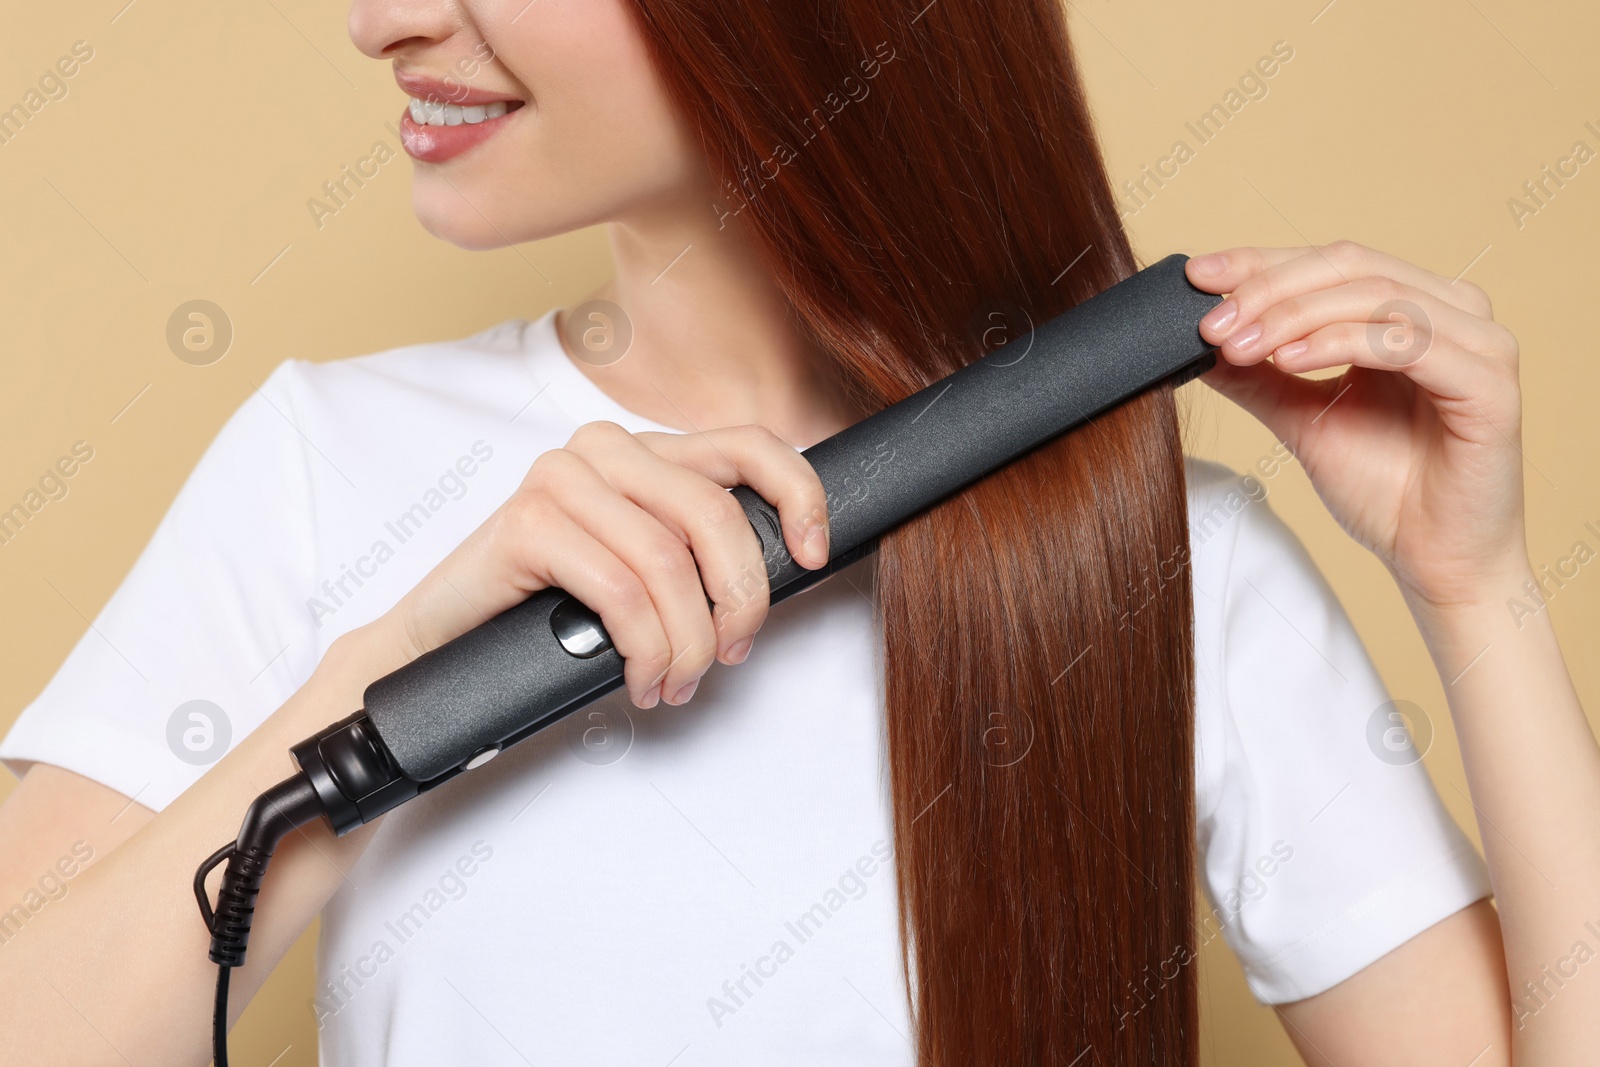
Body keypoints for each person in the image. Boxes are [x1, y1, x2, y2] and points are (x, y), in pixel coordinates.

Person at [0, 0, 1595, 1064]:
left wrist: (1476, 590)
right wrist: (398, 680)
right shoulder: (321, 459)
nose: (383, 17)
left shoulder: (1162, 557)